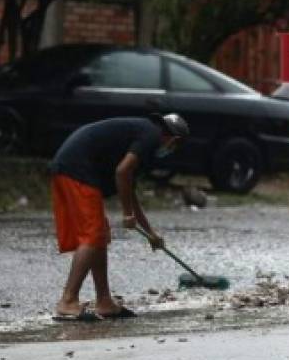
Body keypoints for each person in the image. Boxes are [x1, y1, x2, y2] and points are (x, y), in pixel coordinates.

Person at [49, 113, 189, 321]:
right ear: (174, 140)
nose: (170, 151)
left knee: (100, 235)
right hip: (76, 167)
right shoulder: (151, 135)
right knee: (93, 235)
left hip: (74, 166)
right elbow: (122, 172)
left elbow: (129, 189)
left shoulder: (144, 133)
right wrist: (126, 214)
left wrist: (150, 233)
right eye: (174, 147)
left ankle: (104, 301)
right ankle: (68, 301)